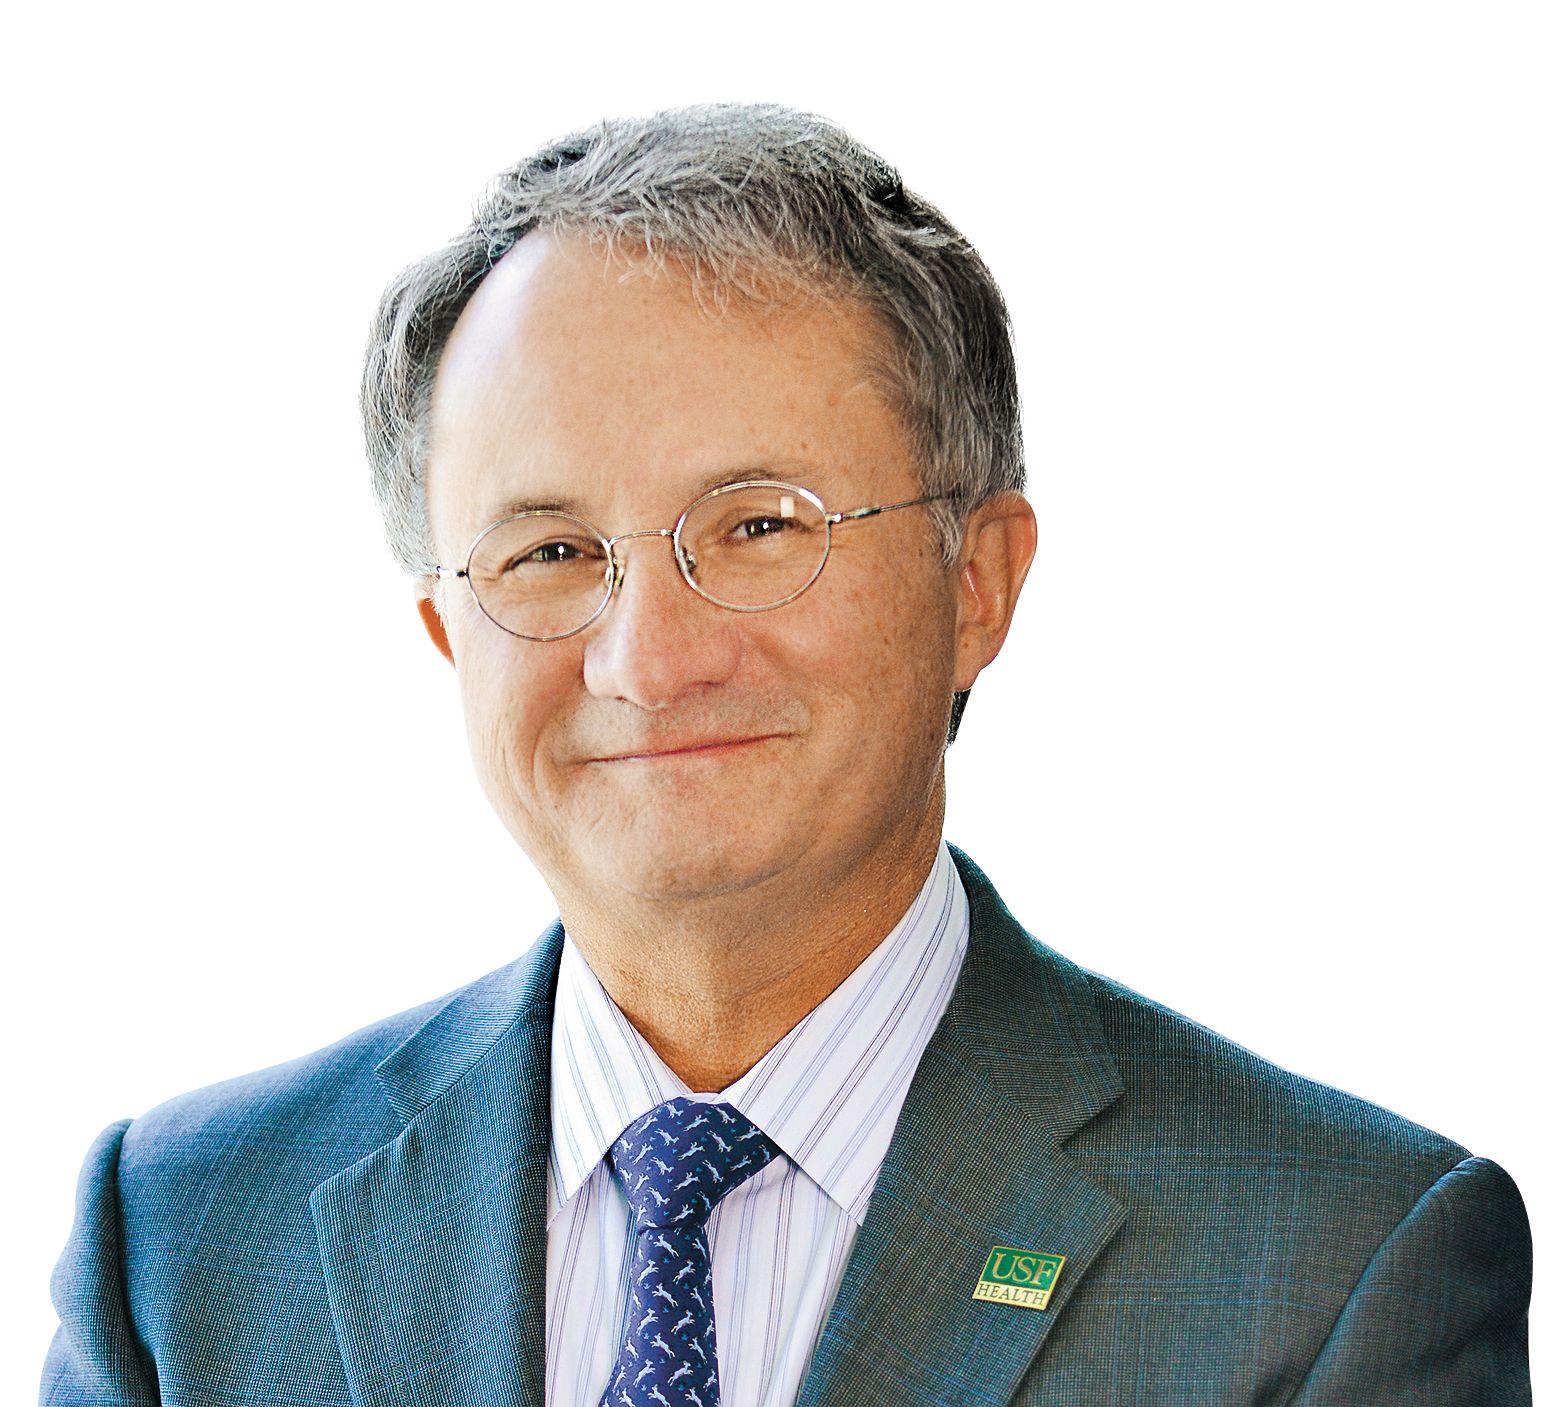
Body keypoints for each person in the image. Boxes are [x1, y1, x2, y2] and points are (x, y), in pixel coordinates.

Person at [43, 103, 1531, 1407]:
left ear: (977, 582)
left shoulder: (1332, 1264)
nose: (647, 660)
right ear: (449, 634)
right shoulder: (184, 1243)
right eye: (548, 551)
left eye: (758, 527)